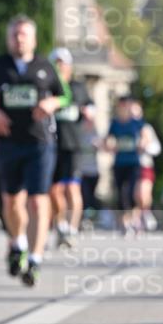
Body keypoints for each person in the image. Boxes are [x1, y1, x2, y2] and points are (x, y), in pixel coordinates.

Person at [0, 16, 64, 287]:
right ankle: (19, 243)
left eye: (24, 34)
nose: (19, 39)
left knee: (37, 200)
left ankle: (35, 259)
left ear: (34, 39)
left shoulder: (46, 67)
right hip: (8, 141)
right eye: (14, 34)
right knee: (11, 202)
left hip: (40, 142)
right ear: (8, 38)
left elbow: (65, 95)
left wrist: (52, 104)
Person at [48, 48, 93, 248]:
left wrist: (90, 112)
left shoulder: (78, 87)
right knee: (55, 191)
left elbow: (91, 106)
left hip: (73, 144)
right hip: (51, 143)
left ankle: (73, 229)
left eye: (63, 63)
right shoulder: (48, 87)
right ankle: (61, 226)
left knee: (73, 188)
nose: (60, 67)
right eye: (56, 63)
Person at [105, 95, 144, 234]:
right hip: (119, 162)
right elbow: (108, 139)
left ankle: (134, 219)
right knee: (121, 193)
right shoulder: (115, 123)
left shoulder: (136, 122)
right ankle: (124, 223)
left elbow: (145, 135)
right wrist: (109, 145)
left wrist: (143, 143)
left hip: (133, 162)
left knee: (132, 192)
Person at [132, 100, 161, 232]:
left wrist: (146, 145)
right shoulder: (123, 127)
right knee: (135, 195)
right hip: (130, 165)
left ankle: (147, 213)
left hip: (145, 165)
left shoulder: (146, 128)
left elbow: (156, 148)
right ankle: (139, 220)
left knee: (144, 193)